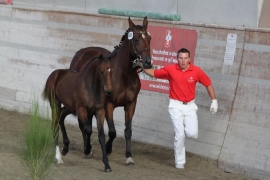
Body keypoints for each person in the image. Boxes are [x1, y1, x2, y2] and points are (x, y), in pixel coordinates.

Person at [143, 48, 218, 169]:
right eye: (180, 58)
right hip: (175, 106)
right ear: (177, 59)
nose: (183, 61)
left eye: (185, 58)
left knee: (192, 133)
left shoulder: (196, 71)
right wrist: (144, 66)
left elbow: (208, 83)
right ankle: (180, 162)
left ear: (189, 59)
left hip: (190, 107)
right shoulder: (170, 69)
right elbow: (154, 73)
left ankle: (184, 145)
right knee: (180, 135)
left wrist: (214, 100)